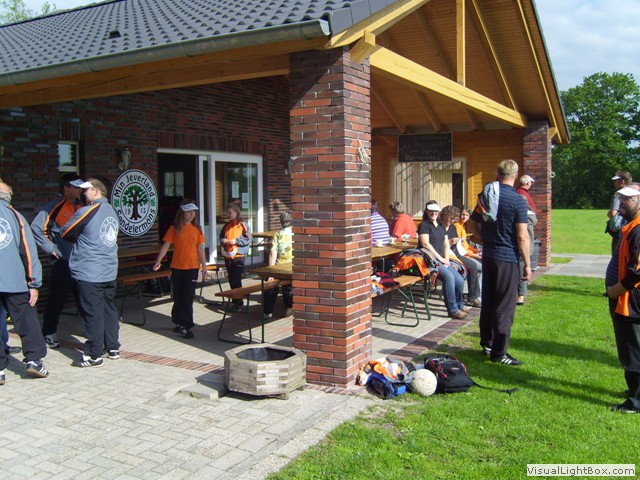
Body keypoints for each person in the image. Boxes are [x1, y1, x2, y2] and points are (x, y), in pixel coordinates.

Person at [467, 159, 530, 366]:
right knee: (504, 305)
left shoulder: (486, 196)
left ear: (498, 173)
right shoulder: (518, 200)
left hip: (489, 256)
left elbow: (471, 224)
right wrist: (528, 264)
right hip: (507, 258)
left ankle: (487, 343)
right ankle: (499, 352)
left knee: (489, 301)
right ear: (515, 175)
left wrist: (484, 240)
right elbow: (522, 237)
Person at [61, 178, 119, 368]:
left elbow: (65, 231)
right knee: (108, 309)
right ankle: (113, 347)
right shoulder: (112, 211)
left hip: (90, 271)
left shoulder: (87, 210)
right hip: (109, 270)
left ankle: (94, 354)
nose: (83, 193)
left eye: (86, 190)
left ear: (96, 191)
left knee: (92, 313)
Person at [0, 181, 49, 384]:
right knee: (27, 322)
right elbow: (28, 252)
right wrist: (34, 283)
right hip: (15, 282)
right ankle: (34, 360)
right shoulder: (16, 216)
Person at [31, 173, 86, 348]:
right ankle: (48, 333)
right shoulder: (54, 207)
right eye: (76, 187)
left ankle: (91, 331)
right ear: (66, 187)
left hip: (81, 262)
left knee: (85, 298)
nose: (80, 191)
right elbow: (36, 228)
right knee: (56, 299)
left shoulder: (82, 205)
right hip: (63, 262)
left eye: (81, 188)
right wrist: (51, 249)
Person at [606, 183, 640, 413]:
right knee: (629, 347)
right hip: (625, 297)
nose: (624, 202)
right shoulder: (629, 226)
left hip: (630, 300)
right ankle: (634, 391)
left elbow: (637, 271)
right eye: (622, 198)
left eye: (629, 198)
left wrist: (616, 290)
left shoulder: (638, 230)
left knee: (632, 349)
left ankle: (636, 400)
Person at [153, 199, 208, 339]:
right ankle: (178, 321)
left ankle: (186, 325)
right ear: (182, 212)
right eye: (189, 211)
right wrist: (159, 260)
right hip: (177, 267)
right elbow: (166, 245)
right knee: (178, 296)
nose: (191, 214)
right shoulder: (174, 228)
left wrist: (204, 265)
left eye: (193, 211)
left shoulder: (197, 229)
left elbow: (200, 248)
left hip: (192, 268)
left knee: (188, 296)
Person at [418, 201, 469, 319]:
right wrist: (440, 259)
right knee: (449, 277)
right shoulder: (424, 225)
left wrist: (446, 259)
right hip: (430, 260)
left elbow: (446, 244)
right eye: (431, 211)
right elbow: (425, 244)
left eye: (436, 211)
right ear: (427, 211)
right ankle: (452, 309)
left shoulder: (441, 226)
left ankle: (460, 305)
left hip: (442, 259)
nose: (434, 213)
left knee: (459, 279)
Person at [441, 205, 482, 308]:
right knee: (475, 266)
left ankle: (474, 296)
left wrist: (474, 251)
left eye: (454, 218)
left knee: (473, 266)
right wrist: (450, 242)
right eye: (450, 218)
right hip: (447, 255)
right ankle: (473, 296)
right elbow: (438, 244)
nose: (452, 220)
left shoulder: (453, 227)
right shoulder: (441, 227)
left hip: (456, 253)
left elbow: (462, 245)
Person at [219, 202, 252, 311]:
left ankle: (239, 303)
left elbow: (248, 239)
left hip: (239, 255)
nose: (228, 215)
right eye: (227, 212)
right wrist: (223, 241)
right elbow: (221, 238)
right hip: (228, 255)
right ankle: (235, 302)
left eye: (230, 212)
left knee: (237, 279)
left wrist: (235, 241)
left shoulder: (243, 225)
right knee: (231, 279)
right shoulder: (226, 226)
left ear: (236, 212)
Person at [264, 210, 294, 320]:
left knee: (271, 286)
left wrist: (270, 272)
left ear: (281, 221)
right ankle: (289, 307)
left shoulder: (278, 235)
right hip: (292, 267)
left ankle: (267, 312)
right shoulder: (297, 233)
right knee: (288, 285)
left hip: (279, 267)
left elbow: (273, 254)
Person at [515, 175, 538, 305]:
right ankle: (520, 295)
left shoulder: (520, 193)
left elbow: (523, 235)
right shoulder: (523, 194)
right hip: (526, 246)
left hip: (523, 246)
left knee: (521, 269)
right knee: (522, 268)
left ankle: (521, 295)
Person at [608, 171, 632, 255]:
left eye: (616, 180)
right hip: (633, 228)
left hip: (620, 230)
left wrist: (609, 214)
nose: (614, 182)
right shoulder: (636, 192)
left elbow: (613, 213)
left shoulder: (618, 194)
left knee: (617, 256)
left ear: (622, 181)